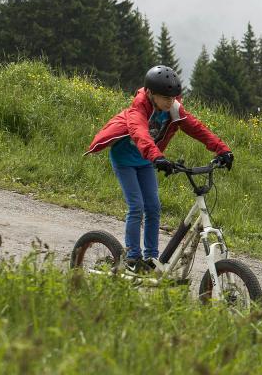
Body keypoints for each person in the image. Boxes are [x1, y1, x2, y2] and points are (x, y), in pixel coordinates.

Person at [84, 65, 233, 272]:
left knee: (153, 207)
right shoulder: (138, 108)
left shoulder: (172, 108)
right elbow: (140, 134)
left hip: (146, 162)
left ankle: (151, 259)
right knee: (136, 207)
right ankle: (132, 259)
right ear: (150, 94)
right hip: (125, 160)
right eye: (165, 98)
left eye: (173, 98)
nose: (170, 101)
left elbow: (197, 129)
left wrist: (223, 150)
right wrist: (157, 157)